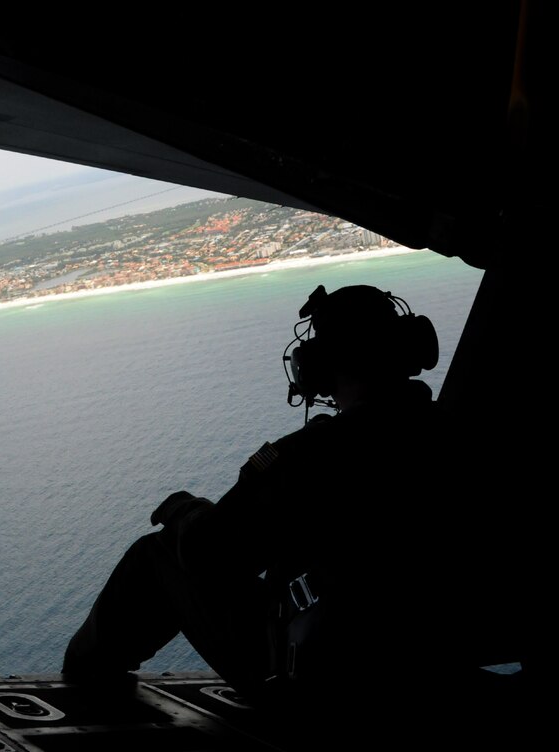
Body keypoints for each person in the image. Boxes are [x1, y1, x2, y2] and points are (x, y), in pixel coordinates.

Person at [62, 284, 509, 718]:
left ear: (320, 366)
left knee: (156, 556)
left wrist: (185, 511)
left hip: (331, 689)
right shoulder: (465, 439)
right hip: (434, 673)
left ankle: (78, 689)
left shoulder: (315, 456)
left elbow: (209, 553)